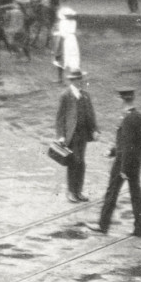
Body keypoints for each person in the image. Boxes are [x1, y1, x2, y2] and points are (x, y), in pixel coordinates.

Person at [97, 86, 141, 237]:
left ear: (122, 100)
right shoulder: (136, 116)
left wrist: (124, 169)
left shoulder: (128, 118)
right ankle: (139, 228)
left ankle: (103, 225)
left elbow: (128, 145)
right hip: (134, 162)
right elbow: (132, 143)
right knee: (135, 194)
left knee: (112, 192)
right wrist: (112, 151)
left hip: (123, 163)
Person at [54, 69, 97, 202]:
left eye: (81, 79)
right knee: (73, 162)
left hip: (83, 133)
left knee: (81, 162)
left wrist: (95, 129)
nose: (81, 82)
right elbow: (60, 117)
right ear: (73, 81)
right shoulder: (65, 95)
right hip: (71, 134)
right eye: (78, 80)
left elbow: (90, 114)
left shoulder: (85, 95)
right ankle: (71, 192)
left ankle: (79, 191)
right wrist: (61, 135)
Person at [52, 6, 82, 83]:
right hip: (72, 40)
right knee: (73, 56)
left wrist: (56, 33)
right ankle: (76, 74)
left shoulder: (63, 22)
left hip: (64, 41)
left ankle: (61, 78)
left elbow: (63, 33)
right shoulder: (73, 21)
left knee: (62, 57)